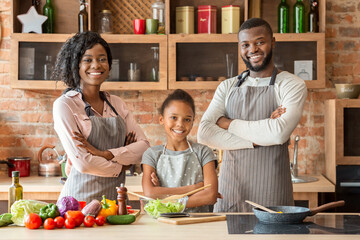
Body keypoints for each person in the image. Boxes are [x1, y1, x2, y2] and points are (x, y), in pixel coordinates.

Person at [197, 18, 307, 212]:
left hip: (273, 191)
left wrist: (227, 123)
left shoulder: (291, 84)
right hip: (231, 190)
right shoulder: (227, 86)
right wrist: (256, 140)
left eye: (259, 42)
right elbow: (204, 133)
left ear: (273, 42)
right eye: (245, 45)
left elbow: (278, 134)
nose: (252, 49)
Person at [52, 31, 150, 203]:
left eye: (102, 59)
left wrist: (105, 154)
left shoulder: (117, 104)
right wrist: (123, 165)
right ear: (76, 65)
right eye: (88, 60)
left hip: (114, 204)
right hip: (76, 208)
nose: (96, 65)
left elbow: (144, 148)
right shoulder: (65, 105)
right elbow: (83, 163)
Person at [141, 89, 218, 212]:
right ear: (161, 119)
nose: (180, 124)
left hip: (197, 223)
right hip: (162, 224)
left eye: (187, 119)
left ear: (193, 121)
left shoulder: (204, 152)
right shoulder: (152, 155)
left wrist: (163, 198)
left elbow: (210, 196)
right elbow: (150, 193)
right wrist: (195, 188)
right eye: (174, 117)